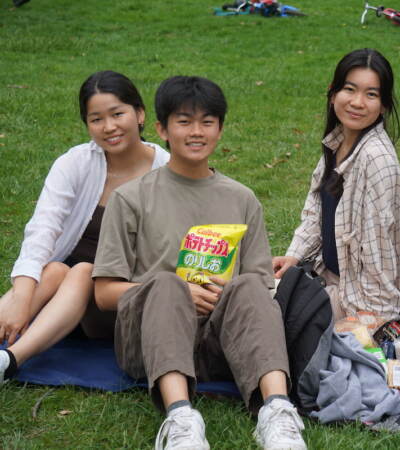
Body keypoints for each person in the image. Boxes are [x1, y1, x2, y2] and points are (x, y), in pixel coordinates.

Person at [92, 76, 306, 450]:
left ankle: (277, 411)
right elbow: (104, 293)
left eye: (207, 122)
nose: (196, 132)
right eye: (184, 121)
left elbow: (260, 285)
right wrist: (180, 291)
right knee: (166, 282)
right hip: (150, 341)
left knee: (249, 286)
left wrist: (221, 295)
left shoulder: (242, 198)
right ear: (161, 128)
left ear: (220, 129)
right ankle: (180, 418)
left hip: (221, 344)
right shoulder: (131, 198)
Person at [0, 71, 169, 382]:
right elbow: (42, 230)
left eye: (118, 114)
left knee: (81, 271)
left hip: (116, 302)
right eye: (96, 119)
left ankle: (10, 360)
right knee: (54, 270)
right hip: (59, 301)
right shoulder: (76, 162)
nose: (109, 127)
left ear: (140, 113)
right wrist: (22, 298)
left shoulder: (167, 172)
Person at [272, 48, 400, 321]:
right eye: (349, 89)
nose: (357, 102)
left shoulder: (376, 159)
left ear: (384, 105)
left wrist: (368, 323)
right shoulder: (338, 141)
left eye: (371, 94)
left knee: (265, 315)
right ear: (332, 94)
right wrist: (294, 255)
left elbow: (380, 258)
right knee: (252, 293)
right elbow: (315, 212)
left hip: (360, 300)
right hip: (329, 279)